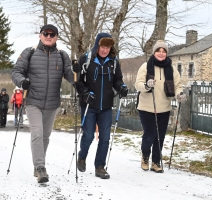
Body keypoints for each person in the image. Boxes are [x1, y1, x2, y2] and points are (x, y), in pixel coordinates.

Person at [11, 24, 74, 183]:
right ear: (40, 35)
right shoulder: (29, 52)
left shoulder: (62, 55)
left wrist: (77, 72)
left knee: (45, 137)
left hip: (52, 103)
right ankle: (40, 167)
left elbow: (70, 76)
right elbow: (16, 72)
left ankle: (37, 167)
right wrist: (22, 81)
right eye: (46, 33)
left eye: (52, 34)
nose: (49, 36)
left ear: (57, 38)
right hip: (33, 101)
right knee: (37, 134)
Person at [74, 32, 128, 179]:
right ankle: (82, 156)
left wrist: (121, 87)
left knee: (104, 138)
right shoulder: (86, 59)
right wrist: (85, 93)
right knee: (89, 136)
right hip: (88, 105)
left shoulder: (113, 61)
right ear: (97, 45)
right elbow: (77, 81)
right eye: (103, 47)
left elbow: (117, 79)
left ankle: (100, 166)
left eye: (108, 47)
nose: (105, 50)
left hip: (106, 106)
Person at [135, 40, 186, 173]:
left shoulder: (172, 69)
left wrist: (179, 94)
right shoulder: (145, 66)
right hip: (146, 107)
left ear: (167, 53)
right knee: (150, 134)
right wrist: (147, 85)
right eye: (159, 50)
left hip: (164, 107)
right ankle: (145, 156)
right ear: (154, 52)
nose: (161, 53)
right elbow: (138, 84)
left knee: (160, 136)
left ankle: (156, 162)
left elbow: (177, 86)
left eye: (164, 51)